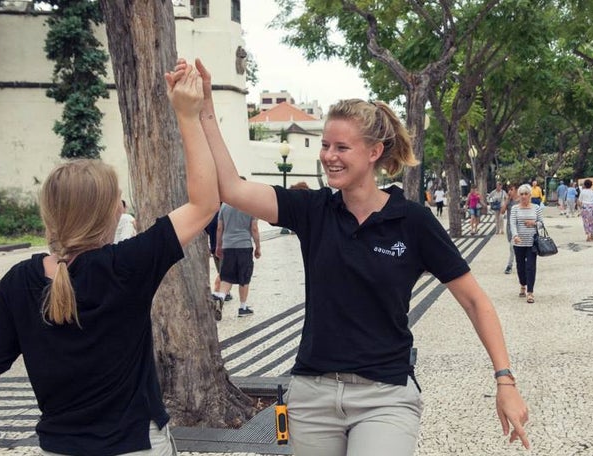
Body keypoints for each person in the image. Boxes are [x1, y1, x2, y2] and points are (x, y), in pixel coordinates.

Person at [188, 57, 529, 455]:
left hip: (384, 396)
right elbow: (230, 187)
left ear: (374, 152)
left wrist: (505, 380)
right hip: (312, 394)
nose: (329, 155)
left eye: (342, 147)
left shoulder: (412, 221)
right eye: (326, 145)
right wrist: (205, 108)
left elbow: (475, 300)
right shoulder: (313, 211)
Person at [0, 63, 218, 456]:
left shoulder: (19, 281)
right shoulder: (127, 265)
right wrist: (187, 113)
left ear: (49, 214)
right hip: (133, 446)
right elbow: (205, 203)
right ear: (113, 213)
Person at [213, 196, 261, 319]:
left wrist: (219, 246)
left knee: (227, 276)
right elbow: (254, 229)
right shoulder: (250, 206)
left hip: (228, 246)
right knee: (244, 277)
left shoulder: (224, 206)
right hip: (244, 246)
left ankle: (221, 297)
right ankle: (243, 307)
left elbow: (219, 228)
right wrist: (258, 247)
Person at [509, 184, 543, 304]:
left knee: (531, 267)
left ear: (530, 195)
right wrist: (515, 236)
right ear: (519, 195)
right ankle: (522, 284)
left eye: (526, 194)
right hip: (519, 242)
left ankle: (530, 292)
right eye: (521, 194)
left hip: (532, 242)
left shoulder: (536, 208)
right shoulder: (515, 208)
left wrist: (533, 223)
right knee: (520, 267)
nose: (523, 196)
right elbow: (512, 224)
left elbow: (541, 224)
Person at [501, 184, 520, 274]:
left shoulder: (520, 201)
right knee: (514, 247)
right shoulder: (508, 201)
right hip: (509, 227)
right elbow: (502, 211)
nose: (509, 192)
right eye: (509, 190)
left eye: (511, 189)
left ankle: (509, 265)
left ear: (516, 190)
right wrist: (507, 200)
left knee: (512, 247)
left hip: (519, 227)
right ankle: (521, 262)